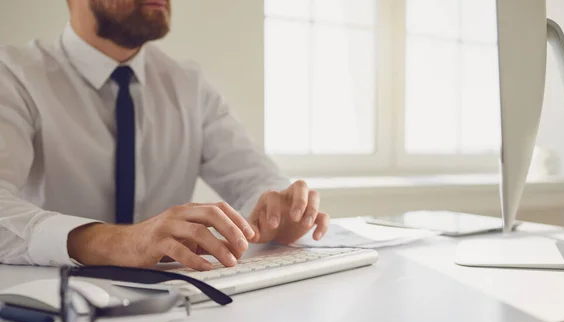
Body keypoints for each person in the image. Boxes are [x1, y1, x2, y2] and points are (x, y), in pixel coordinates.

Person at [0, 0, 329, 271]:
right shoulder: (14, 76)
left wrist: (276, 213)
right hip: (48, 312)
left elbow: (255, 180)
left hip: (181, 309)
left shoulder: (190, 86)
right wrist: (113, 242)